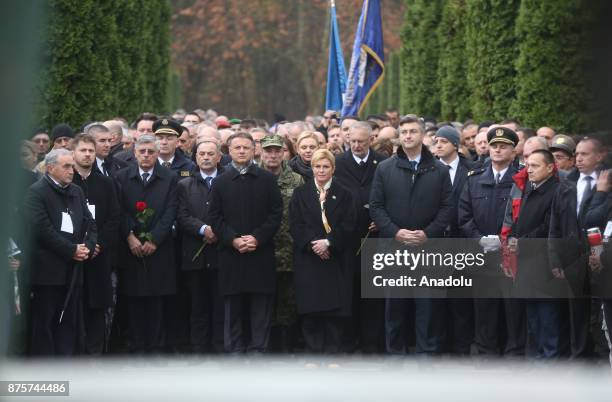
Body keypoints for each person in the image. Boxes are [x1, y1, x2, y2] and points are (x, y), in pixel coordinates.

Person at [370, 116, 453, 355]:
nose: (408, 135)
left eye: (413, 131)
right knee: (394, 307)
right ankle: (395, 354)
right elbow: (376, 206)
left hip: (428, 248)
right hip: (394, 249)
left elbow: (447, 207)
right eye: (404, 131)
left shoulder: (438, 169)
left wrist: (427, 234)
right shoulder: (385, 168)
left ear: (423, 135)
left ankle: (427, 354)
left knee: (428, 307)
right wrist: (395, 232)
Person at [208, 132, 282, 353]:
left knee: (260, 305)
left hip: (260, 252)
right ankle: (235, 350)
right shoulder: (220, 182)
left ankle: (258, 348)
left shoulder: (267, 179)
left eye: (246, 148)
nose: (241, 151)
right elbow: (215, 217)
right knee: (233, 306)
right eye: (237, 148)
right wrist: (233, 239)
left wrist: (257, 237)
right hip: (232, 253)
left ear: (254, 150)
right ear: (228, 151)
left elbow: (275, 213)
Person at [458, 126, 524, 356]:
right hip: (482, 252)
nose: (497, 150)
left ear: (513, 151)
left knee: (512, 308)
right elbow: (464, 216)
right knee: (484, 307)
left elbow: (525, 216)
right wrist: (480, 239)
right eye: (494, 146)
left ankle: (514, 352)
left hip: (510, 254)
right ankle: (486, 353)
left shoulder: (521, 180)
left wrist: (504, 240)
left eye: (503, 146)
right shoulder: (475, 179)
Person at [24, 149, 97, 355]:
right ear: (50, 168)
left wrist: (87, 248)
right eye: (66, 166)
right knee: (45, 322)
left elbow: (90, 223)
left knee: (69, 323)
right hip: (48, 272)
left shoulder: (76, 191)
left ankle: (66, 364)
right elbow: (42, 229)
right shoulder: (36, 192)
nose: (71, 170)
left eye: (72, 166)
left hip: (74, 269)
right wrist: (71, 250)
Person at [114, 135, 179, 354]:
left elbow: (171, 211)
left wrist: (154, 239)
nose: (146, 155)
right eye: (142, 151)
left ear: (157, 153)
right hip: (131, 247)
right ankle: (136, 344)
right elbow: (118, 210)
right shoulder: (122, 177)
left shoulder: (169, 178)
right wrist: (130, 236)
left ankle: (156, 346)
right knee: (133, 297)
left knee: (157, 299)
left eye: (151, 151)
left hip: (159, 248)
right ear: (134, 153)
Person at [289, 149, 356, 353]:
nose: (321, 170)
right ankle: (313, 351)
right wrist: (314, 244)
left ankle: (332, 351)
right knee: (311, 308)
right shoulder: (301, 193)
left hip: (335, 258)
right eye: (317, 166)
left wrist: (328, 243)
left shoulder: (344, 194)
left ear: (333, 169)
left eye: (325, 166)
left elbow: (349, 224)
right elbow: (296, 224)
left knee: (334, 310)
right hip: (309, 259)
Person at [548, 137, 608, 359]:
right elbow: (555, 226)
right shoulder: (566, 184)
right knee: (577, 316)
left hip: (601, 259)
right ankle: (579, 359)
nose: (579, 159)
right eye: (577, 154)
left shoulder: (606, 183)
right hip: (572, 260)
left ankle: (602, 360)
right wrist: (555, 260)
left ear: (600, 156)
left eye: (585, 154)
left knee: (600, 315)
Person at [503, 150, 561, 358]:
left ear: (550, 167)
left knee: (547, 314)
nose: (529, 170)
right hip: (526, 261)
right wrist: (512, 240)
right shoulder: (529, 188)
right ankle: (537, 357)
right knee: (533, 315)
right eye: (528, 165)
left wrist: (522, 242)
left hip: (544, 262)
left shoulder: (557, 191)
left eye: (535, 166)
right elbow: (521, 221)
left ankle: (550, 359)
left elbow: (550, 226)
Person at [334, 121, 386, 353]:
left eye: (361, 142)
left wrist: (383, 220)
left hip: (375, 237)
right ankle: (347, 341)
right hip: (347, 239)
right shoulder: (338, 163)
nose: (356, 145)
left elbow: (389, 196)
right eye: (352, 141)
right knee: (347, 292)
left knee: (373, 293)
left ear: (371, 140)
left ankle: (370, 343)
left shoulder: (382, 164)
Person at [70, 134, 120, 354]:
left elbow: (114, 217)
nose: (88, 154)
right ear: (73, 153)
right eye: (83, 150)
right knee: (73, 308)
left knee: (97, 309)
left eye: (91, 151)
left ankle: (94, 354)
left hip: (99, 256)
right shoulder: (67, 180)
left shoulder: (106, 183)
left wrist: (98, 244)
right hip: (71, 256)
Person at [176, 140, 225, 353]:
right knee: (198, 305)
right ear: (195, 157)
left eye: (210, 153)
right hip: (194, 255)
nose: (205, 157)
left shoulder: (227, 181)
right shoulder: (184, 185)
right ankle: (199, 348)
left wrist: (219, 231)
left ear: (219, 157)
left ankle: (219, 346)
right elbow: (182, 215)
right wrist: (203, 229)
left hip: (221, 254)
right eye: (201, 153)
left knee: (219, 304)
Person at [259, 134, 304, 352]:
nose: (273, 155)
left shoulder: (296, 180)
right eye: (269, 150)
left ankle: (286, 345)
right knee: (263, 300)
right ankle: (265, 344)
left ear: (284, 153)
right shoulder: (252, 177)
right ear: (261, 152)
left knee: (288, 300)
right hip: (260, 250)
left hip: (289, 249)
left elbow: (304, 214)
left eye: (278, 150)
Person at [433, 126, 475, 355]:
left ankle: (461, 346)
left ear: (455, 145)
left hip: (461, 240)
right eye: (436, 141)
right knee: (436, 298)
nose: (438, 145)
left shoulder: (472, 169)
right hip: (436, 240)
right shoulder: (428, 169)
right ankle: (438, 345)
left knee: (460, 298)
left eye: (443, 141)